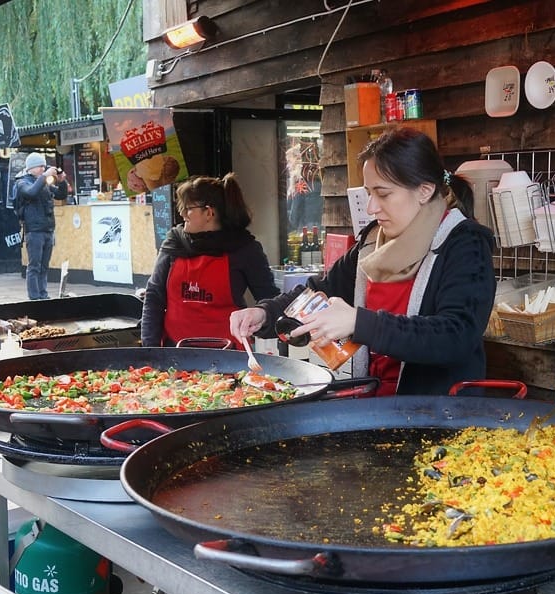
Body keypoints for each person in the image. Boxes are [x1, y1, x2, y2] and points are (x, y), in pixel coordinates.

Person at [230, 127, 496, 395]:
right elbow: (318, 291)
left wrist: (360, 323)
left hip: (437, 415)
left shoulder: (464, 244)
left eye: (383, 194)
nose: (371, 207)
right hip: (371, 407)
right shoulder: (371, 242)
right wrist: (264, 314)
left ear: (424, 191)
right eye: (369, 193)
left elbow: (456, 335)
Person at [141, 173, 279, 349]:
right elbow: (154, 296)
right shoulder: (174, 243)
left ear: (209, 212)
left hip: (228, 355)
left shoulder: (244, 249)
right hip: (175, 351)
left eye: (188, 208)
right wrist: (150, 349)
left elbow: (268, 299)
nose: (182, 213)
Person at [15, 152, 67, 300]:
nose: (43, 169)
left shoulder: (44, 183)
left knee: (44, 267)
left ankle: (43, 296)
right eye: (40, 166)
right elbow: (31, 193)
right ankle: (34, 297)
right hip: (34, 231)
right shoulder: (22, 182)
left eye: (44, 166)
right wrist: (45, 177)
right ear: (31, 168)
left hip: (48, 230)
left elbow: (61, 195)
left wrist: (62, 181)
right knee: (34, 267)